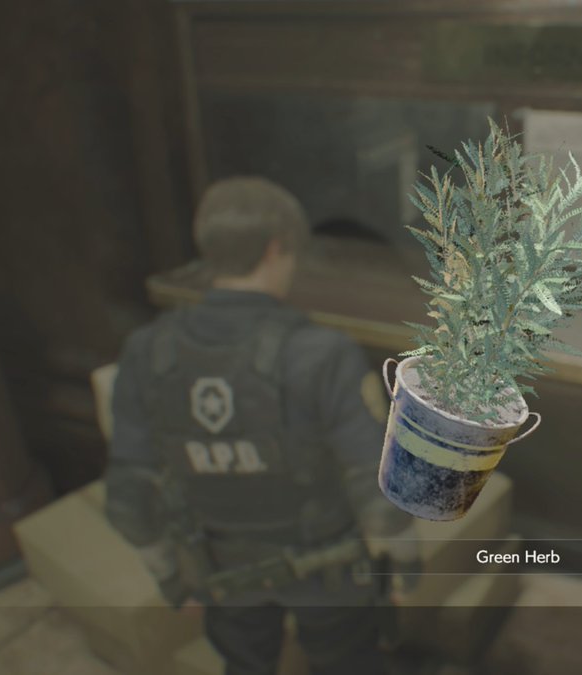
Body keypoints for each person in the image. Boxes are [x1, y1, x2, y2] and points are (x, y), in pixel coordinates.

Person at [104, 176, 420, 675]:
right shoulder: (322, 354)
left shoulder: (147, 352)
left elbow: (128, 497)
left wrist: (171, 579)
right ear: (276, 249)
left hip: (221, 570)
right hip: (329, 572)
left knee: (244, 664)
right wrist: (405, 566)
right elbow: (378, 488)